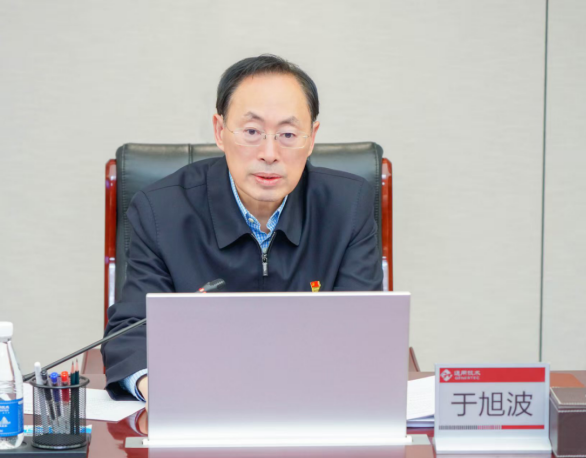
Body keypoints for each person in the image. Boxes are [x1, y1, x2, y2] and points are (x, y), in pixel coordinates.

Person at [102, 54, 383, 401]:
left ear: (311, 138)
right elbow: (132, 331)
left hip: (310, 402)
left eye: (288, 134)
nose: (269, 153)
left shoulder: (348, 206)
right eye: (251, 132)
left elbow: (361, 333)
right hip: (198, 402)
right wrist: (164, 393)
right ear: (220, 132)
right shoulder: (160, 211)